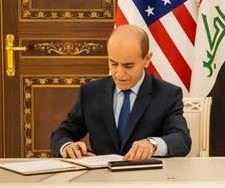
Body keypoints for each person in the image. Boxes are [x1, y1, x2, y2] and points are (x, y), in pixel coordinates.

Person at [51, 25, 191, 160]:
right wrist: (67, 146)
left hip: (147, 174)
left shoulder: (167, 94)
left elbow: (182, 139)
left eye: (128, 66)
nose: (119, 74)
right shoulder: (90, 92)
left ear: (147, 59)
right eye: (113, 64)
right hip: (101, 174)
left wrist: (152, 144)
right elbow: (61, 134)